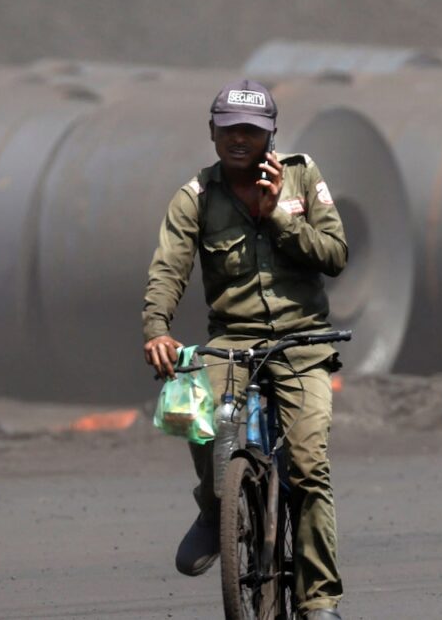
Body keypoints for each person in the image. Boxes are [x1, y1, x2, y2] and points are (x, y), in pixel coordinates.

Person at [141, 79, 347, 620]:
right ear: (211, 131)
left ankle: (319, 599)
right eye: (229, 128)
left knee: (307, 467)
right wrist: (157, 328)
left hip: (303, 341)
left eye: (251, 131)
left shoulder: (302, 176)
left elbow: (335, 254)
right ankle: (215, 509)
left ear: (270, 136)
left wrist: (279, 215)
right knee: (199, 414)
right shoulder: (196, 197)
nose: (239, 138)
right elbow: (169, 268)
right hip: (233, 340)